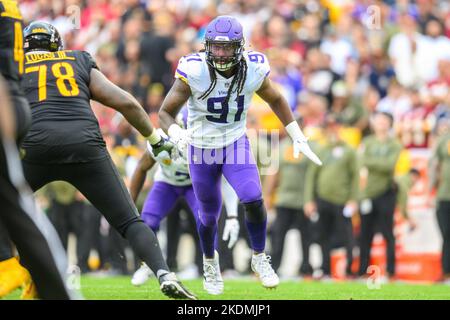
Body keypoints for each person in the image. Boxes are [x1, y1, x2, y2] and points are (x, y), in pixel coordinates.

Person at [19, 21, 196, 300]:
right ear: (57, 45)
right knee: (128, 221)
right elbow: (124, 102)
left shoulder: (14, 67)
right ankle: (164, 273)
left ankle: (16, 272)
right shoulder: (76, 59)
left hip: (35, 147)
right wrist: (154, 139)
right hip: (84, 146)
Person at [159, 15, 322, 295]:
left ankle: (259, 257)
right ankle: (210, 261)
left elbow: (277, 99)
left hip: (234, 142)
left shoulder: (254, 67)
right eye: (216, 47)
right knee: (209, 216)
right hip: (201, 148)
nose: (221, 54)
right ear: (207, 46)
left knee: (253, 198)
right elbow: (164, 113)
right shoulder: (194, 69)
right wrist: (177, 133)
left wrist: (296, 134)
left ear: (240, 47)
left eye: (227, 47)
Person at [0, 1, 74, 299]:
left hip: (6, 101)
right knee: (12, 204)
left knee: (15, 204)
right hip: (13, 101)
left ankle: (12, 267)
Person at [129, 110, 240, 285]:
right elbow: (142, 168)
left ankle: (211, 268)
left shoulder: (211, 145)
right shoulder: (161, 141)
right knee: (148, 221)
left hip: (194, 186)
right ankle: (146, 265)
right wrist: (129, 204)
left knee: (206, 222)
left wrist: (233, 215)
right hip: (167, 183)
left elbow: (225, 180)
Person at [304, 116, 359, 279]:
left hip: (342, 200)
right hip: (323, 199)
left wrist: (354, 199)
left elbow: (355, 176)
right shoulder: (321, 149)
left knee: (347, 236)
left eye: (335, 126)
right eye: (329, 126)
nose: (332, 129)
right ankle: (325, 269)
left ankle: (350, 269)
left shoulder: (349, 150)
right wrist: (309, 200)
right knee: (322, 236)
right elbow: (311, 176)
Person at [264, 117, 314, 277]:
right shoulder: (281, 147)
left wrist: (311, 199)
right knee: (278, 235)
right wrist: (267, 197)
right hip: (284, 199)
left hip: (303, 201)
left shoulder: (310, 147)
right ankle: (274, 267)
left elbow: (313, 176)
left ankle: (306, 268)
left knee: (306, 237)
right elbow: (273, 174)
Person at [358, 111, 403, 279]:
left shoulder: (394, 144)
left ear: (390, 123)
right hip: (367, 193)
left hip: (386, 192)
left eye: (384, 120)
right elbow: (361, 161)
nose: (381, 123)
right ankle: (363, 270)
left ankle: (391, 271)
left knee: (387, 233)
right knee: (365, 234)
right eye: (378, 120)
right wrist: (376, 163)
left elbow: (389, 165)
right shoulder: (367, 142)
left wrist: (370, 161)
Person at [429, 123, 450, 283]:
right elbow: (434, 165)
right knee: (446, 235)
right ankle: (446, 271)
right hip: (444, 195)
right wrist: (430, 190)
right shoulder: (444, 140)